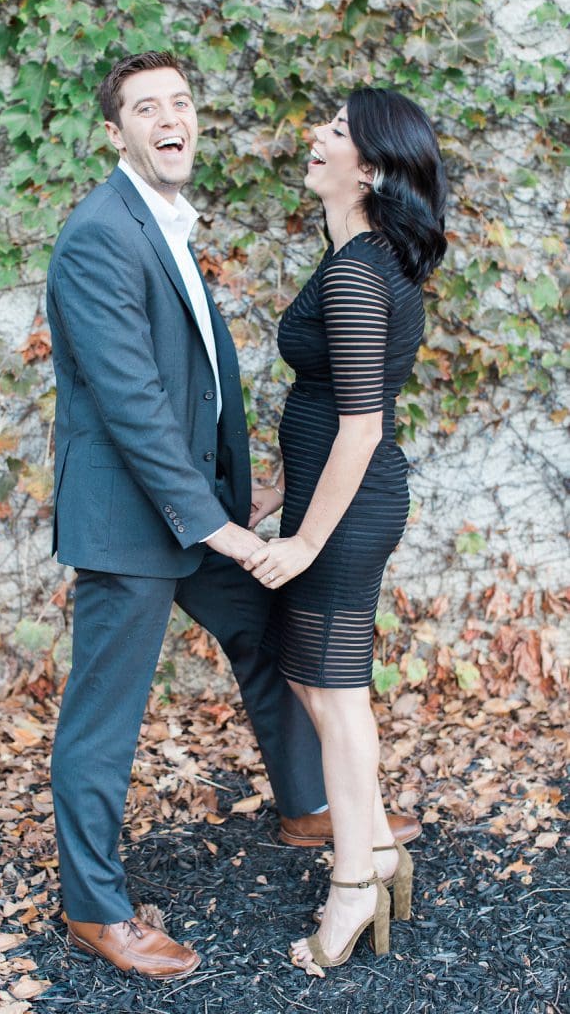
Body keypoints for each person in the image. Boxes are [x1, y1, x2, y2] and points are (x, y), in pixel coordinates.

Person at [46, 53, 420, 981]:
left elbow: (195, 387)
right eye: (145, 107)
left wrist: (237, 496)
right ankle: (95, 910)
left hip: (197, 505)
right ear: (115, 132)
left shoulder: (166, 223)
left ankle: (310, 805)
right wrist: (222, 529)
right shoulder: (100, 233)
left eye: (180, 101)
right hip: (132, 520)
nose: (169, 117)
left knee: (268, 634)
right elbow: (131, 401)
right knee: (106, 715)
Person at [245, 87, 447, 970]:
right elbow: (326, 401)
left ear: (366, 167)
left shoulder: (360, 271)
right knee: (323, 691)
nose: (315, 137)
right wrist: (273, 494)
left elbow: (361, 428)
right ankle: (375, 853)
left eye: (335, 130)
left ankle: (353, 886)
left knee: (333, 696)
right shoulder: (351, 259)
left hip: (350, 510)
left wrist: (302, 540)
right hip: (332, 497)